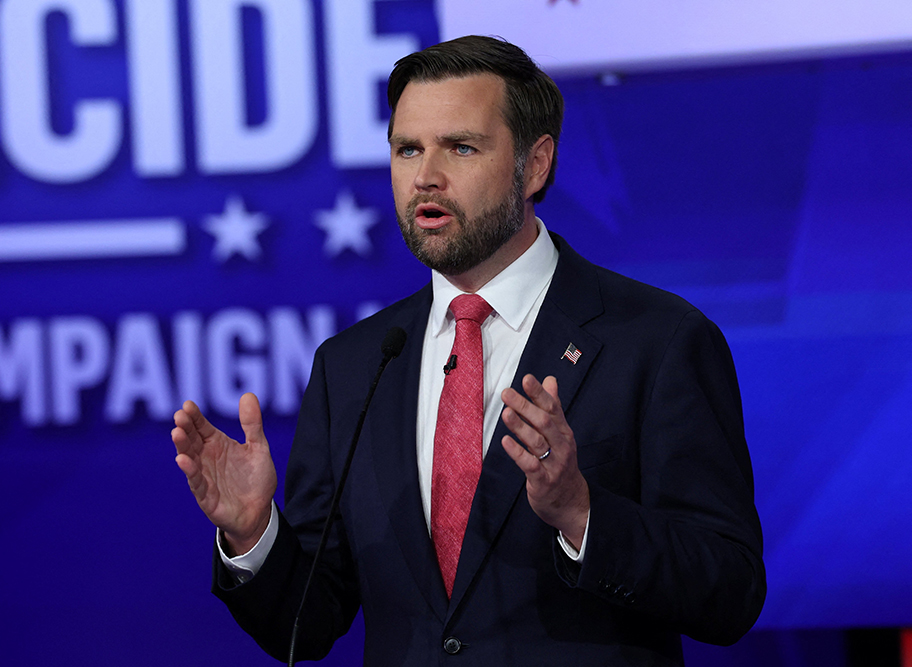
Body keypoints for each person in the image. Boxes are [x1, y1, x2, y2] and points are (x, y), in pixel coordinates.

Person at [172, 35, 765, 666]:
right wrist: (252, 533)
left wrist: (581, 512)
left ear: (534, 165)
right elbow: (310, 622)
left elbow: (730, 592)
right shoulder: (353, 365)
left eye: (461, 147)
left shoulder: (656, 339)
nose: (425, 176)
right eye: (407, 149)